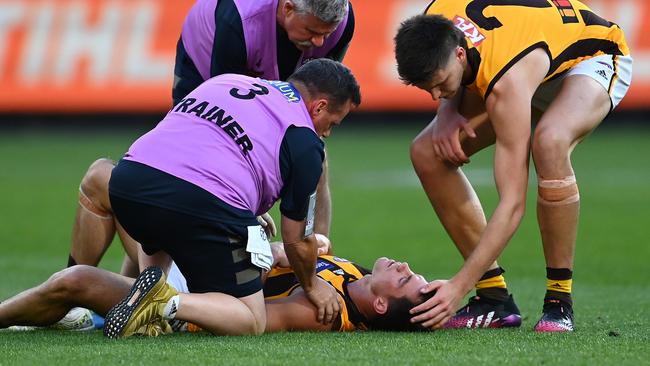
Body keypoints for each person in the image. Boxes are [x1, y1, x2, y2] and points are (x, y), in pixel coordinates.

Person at [67, 0, 355, 276]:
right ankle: (315, 265)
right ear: (288, 8)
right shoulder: (238, 21)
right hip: (210, 74)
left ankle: (97, 293)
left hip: (199, 259)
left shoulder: (339, 23)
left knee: (103, 177)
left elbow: (320, 91)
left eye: (326, 34)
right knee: (208, 154)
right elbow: (223, 119)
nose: (319, 43)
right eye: (313, 32)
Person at [394, 0, 631, 332]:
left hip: (592, 59)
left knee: (549, 143)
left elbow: (512, 205)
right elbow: (449, 75)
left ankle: (559, 302)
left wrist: (458, 286)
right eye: (425, 88)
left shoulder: (507, 81)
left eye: (440, 83)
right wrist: (447, 110)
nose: (434, 95)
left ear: (459, 55)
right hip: (527, 60)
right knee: (426, 152)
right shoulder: (434, 23)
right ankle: (494, 299)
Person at [96, 58, 360, 338]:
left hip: (127, 184)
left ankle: (145, 301)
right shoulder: (305, 141)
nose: (328, 133)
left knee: (162, 222)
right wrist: (312, 287)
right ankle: (166, 300)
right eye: (332, 123)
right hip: (195, 204)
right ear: (318, 106)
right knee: (251, 318)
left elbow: (195, 143)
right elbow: (296, 239)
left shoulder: (227, 80)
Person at [0, 241, 430, 333]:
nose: (405, 265)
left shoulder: (322, 313)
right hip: (204, 271)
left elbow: (252, 316)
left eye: (405, 279)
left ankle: (101, 309)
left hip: (188, 303)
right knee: (106, 181)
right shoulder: (357, 278)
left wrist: (269, 257)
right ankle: (87, 316)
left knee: (75, 281)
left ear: (378, 304)